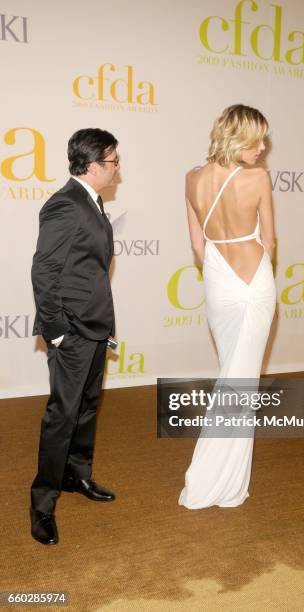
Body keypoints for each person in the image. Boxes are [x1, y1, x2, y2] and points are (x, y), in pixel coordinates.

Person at [179, 104, 276, 509]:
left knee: (230, 376)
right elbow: (270, 241)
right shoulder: (257, 178)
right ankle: (219, 481)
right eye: (257, 139)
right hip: (253, 281)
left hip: (217, 280)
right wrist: (253, 271)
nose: (263, 147)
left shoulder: (191, 178)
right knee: (242, 382)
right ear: (239, 138)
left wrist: (222, 267)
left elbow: (198, 248)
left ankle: (215, 477)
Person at [30, 128, 120, 544]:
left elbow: (93, 274)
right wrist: (58, 333)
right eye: (114, 161)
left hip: (96, 327)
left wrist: (108, 329)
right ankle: (42, 504)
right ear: (93, 164)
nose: (119, 169)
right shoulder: (65, 205)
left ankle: (77, 476)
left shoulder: (94, 204)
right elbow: (44, 272)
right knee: (62, 417)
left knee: (86, 409)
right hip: (72, 332)